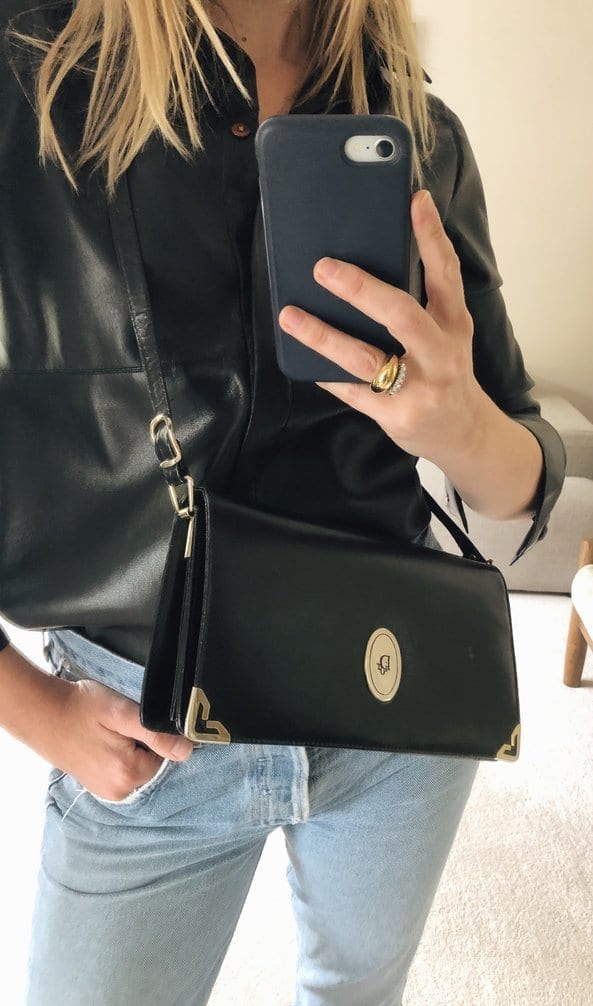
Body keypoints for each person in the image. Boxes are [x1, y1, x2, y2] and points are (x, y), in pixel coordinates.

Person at [0, 1, 566, 1003]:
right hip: (144, 721)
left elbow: (518, 482)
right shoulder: (30, 74)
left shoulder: (415, 131)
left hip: (394, 699)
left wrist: (458, 426)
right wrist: (31, 707)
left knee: (355, 991)